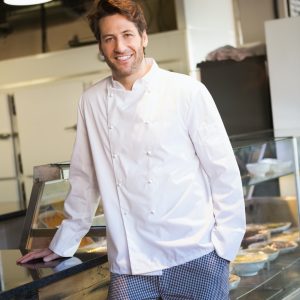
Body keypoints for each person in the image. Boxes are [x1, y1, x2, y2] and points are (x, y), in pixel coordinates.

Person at [17, 0, 246, 299]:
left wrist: (224, 248)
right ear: (100, 45)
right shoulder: (92, 101)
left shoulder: (186, 91)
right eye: (109, 38)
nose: (120, 46)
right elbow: (85, 178)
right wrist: (63, 243)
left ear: (143, 37)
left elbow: (223, 172)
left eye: (127, 35)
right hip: (130, 264)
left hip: (195, 256)